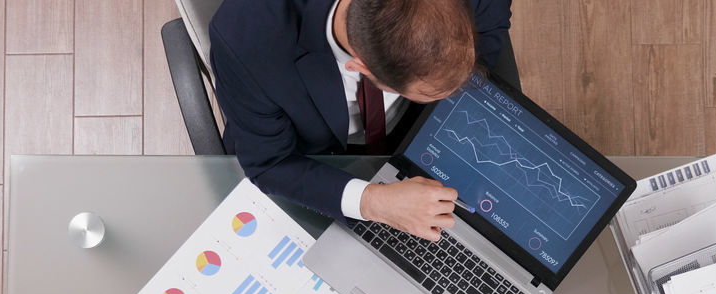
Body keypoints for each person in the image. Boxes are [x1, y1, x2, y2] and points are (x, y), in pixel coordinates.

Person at [208, 0, 512, 241]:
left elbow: (491, 23)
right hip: (318, 157)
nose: (453, 93)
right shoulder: (246, 41)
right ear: (360, 68)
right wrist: (375, 202)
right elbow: (270, 163)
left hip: (422, 127)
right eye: (432, 92)